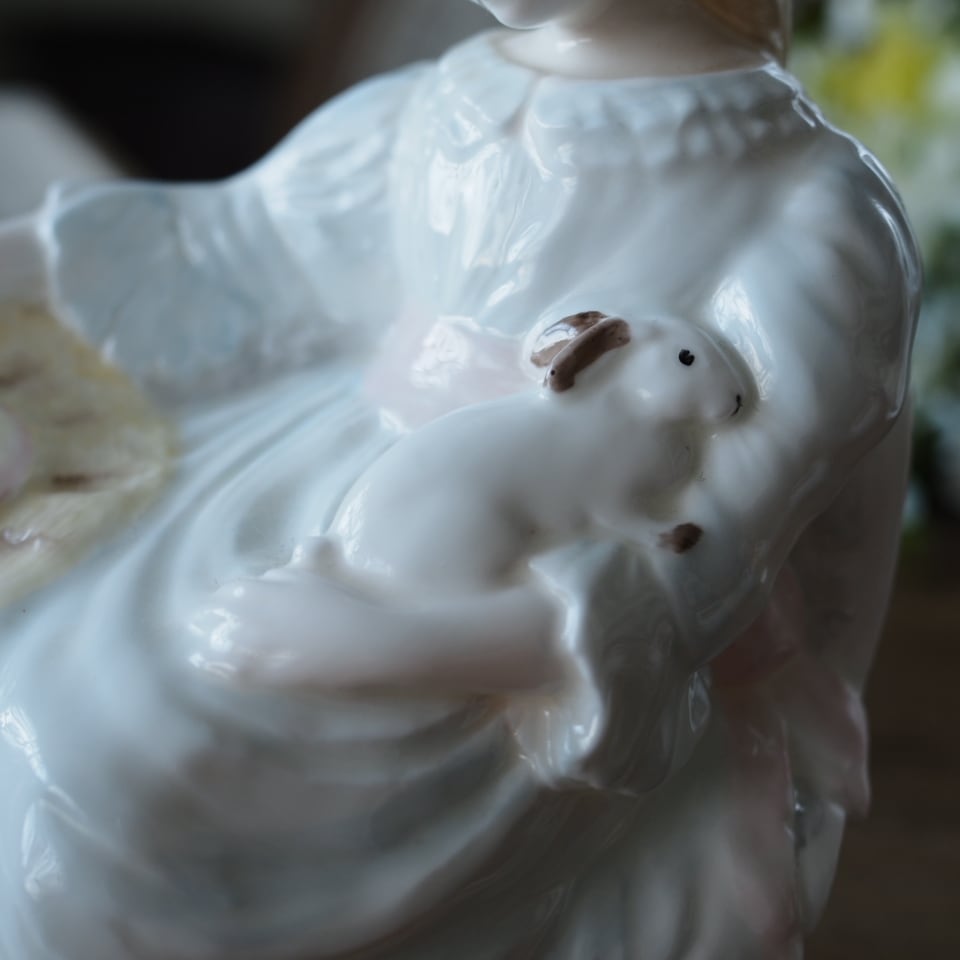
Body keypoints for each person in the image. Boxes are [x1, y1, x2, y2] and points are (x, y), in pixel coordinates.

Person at [0, 1, 920, 958]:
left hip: (500, 611)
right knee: (33, 666)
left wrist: (392, 642)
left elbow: (698, 560)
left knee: (92, 793)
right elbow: (235, 247)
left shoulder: (811, 205)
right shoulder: (443, 103)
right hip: (313, 476)